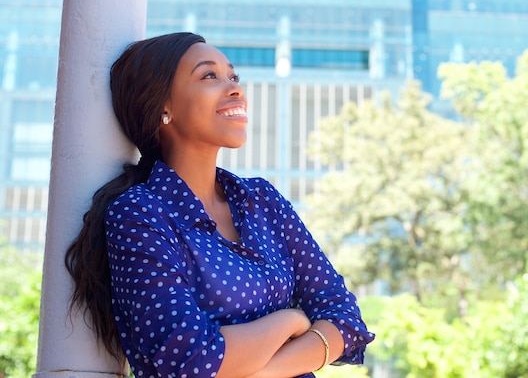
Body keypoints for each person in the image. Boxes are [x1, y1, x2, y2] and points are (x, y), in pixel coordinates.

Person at [65, 32, 374, 378]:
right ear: (163, 106)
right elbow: (190, 360)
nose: (235, 88)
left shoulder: (262, 201)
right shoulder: (140, 215)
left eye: (233, 76)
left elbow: (344, 318)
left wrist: (263, 371)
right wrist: (292, 320)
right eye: (209, 76)